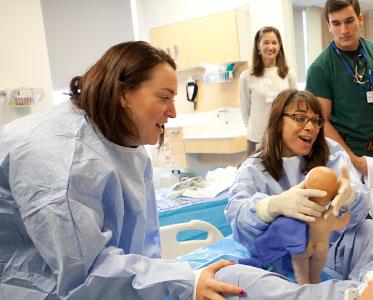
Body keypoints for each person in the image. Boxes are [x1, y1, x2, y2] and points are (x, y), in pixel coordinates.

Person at [0, 41, 242, 299]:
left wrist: (158, 283)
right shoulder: (61, 156)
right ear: (124, 94)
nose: (172, 112)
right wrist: (186, 281)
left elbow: (141, 244)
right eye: (164, 97)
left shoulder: (128, 146)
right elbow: (85, 270)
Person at [225, 89, 373, 294]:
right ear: (278, 123)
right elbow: (237, 216)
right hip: (284, 262)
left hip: (335, 249)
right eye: (300, 118)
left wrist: (350, 196)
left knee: (372, 230)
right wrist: (270, 206)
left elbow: (357, 204)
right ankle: (357, 293)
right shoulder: (254, 169)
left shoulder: (330, 153)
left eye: (316, 121)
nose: (310, 127)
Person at [306, 0, 373, 174]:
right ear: (328, 25)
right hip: (348, 158)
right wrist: (353, 160)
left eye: (349, 21)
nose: (344, 30)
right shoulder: (320, 68)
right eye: (336, 23)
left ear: (360, 19)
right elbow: (322, 121)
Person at [240, 26, 297, 156]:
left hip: (282, 137)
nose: (270, 47)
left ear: (279, 46)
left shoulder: (288, 74)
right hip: (257, 139)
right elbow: (245, 111)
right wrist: (255, 132)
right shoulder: (247, 76)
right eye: (266, 42)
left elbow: (294, 107)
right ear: (258, 45)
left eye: (274, 42)